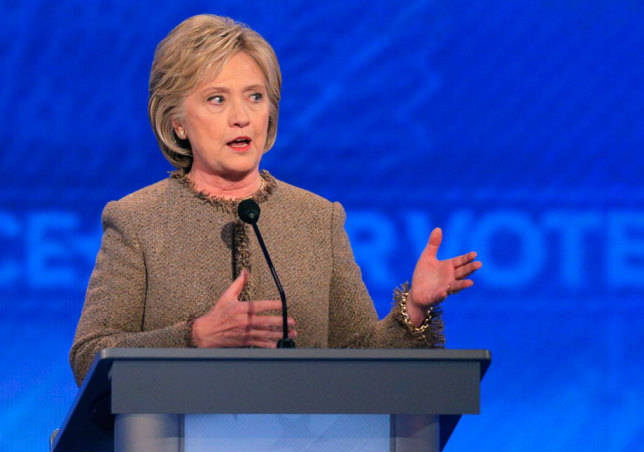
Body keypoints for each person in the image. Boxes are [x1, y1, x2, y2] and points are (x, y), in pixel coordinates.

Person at [69, 14, 481, 385]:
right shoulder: (138, 220)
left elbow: (361, 358)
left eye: (255, 96)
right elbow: (90, 357)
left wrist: (414, 309)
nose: (241, 116)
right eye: (217, 99)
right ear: (177, 122)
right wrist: (195, 336)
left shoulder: (318, 219)